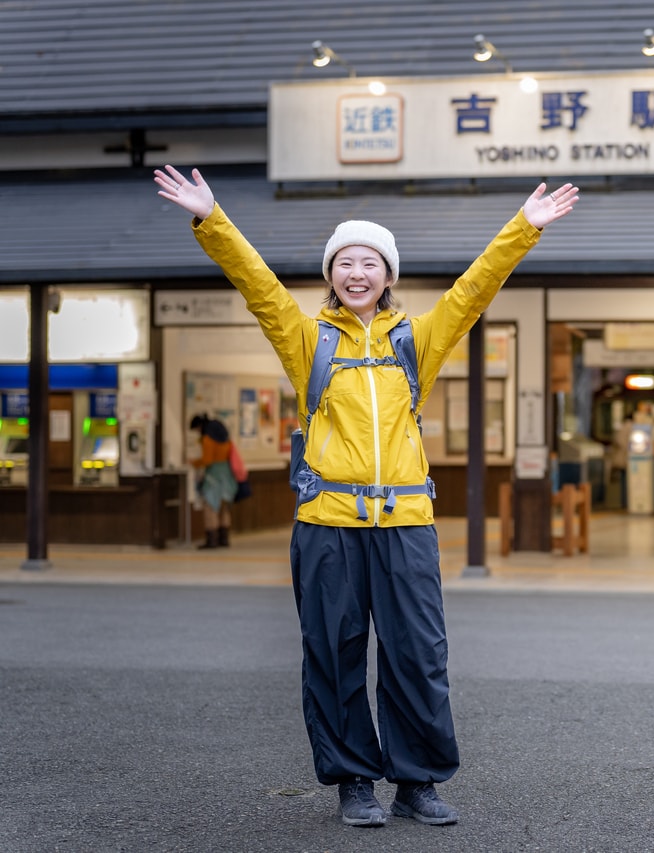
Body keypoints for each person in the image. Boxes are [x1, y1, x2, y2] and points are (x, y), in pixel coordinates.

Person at [154, 164, 578, 829]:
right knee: (336, 649)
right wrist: (213, 218)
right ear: (331, 275)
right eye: (345, 262)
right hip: (328, 523)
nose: (357, 272)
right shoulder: (307, 341)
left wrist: (523, 229)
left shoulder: (416, 341)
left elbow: (472, 292)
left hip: (407, 522)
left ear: (389, 276)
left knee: (418, 654)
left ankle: (417, 781)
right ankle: (354, 780)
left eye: (370, 262)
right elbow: (258, 286)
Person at [188, 413, 236, 548]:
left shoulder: (208, 439)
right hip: (226, 474)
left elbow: (207, 460)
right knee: (224, 508)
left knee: (210, 507)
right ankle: (224, 539)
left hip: (214, 475)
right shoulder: (226, 439)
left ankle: (212, 540)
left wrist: (194, 463)